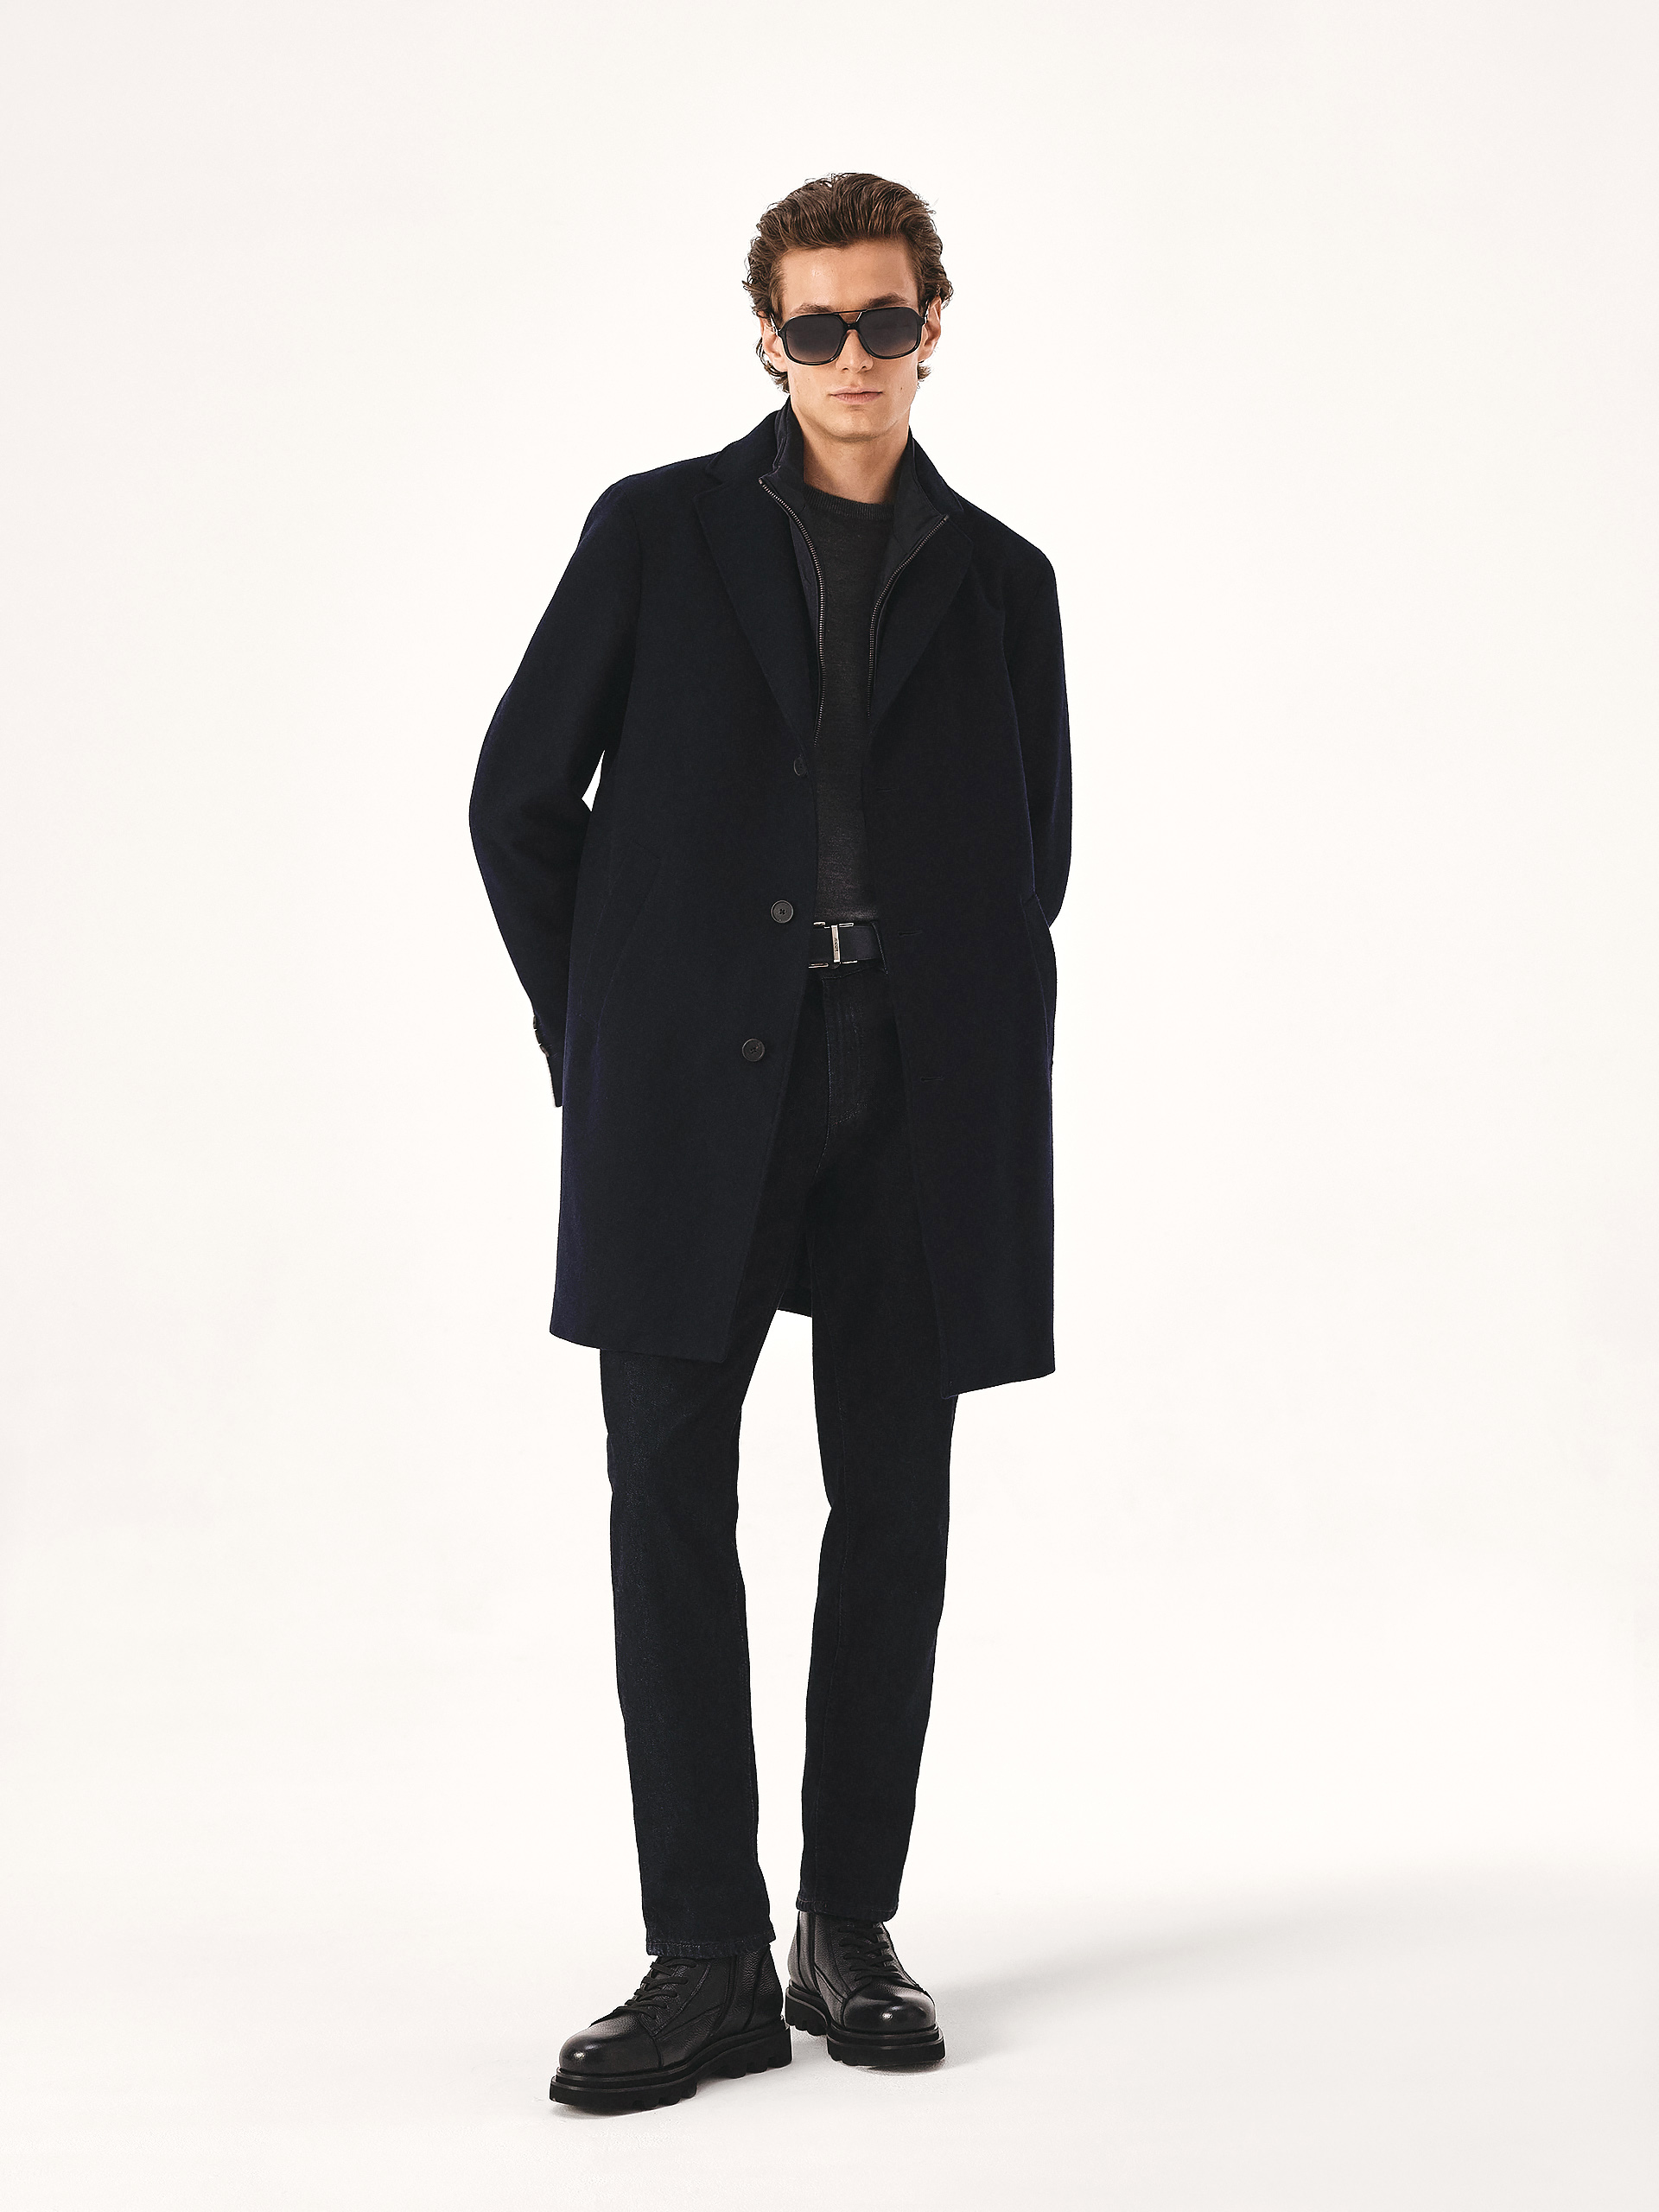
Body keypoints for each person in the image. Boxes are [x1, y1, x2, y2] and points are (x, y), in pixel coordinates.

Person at [470, 172, 1071, 2113]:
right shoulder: (655, 533)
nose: (851, 358)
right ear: (766, 338)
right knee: (669, 1502)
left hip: (916, 1094)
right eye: (816, 327)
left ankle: (848, 1926)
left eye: (884, 322)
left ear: (932, 329)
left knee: (894, 1507)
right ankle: (707, 1955)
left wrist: (952, 1027)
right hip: (688, 1092)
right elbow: (514, 799)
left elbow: (1033, 859)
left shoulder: (1004, 579)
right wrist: (600, 1033)